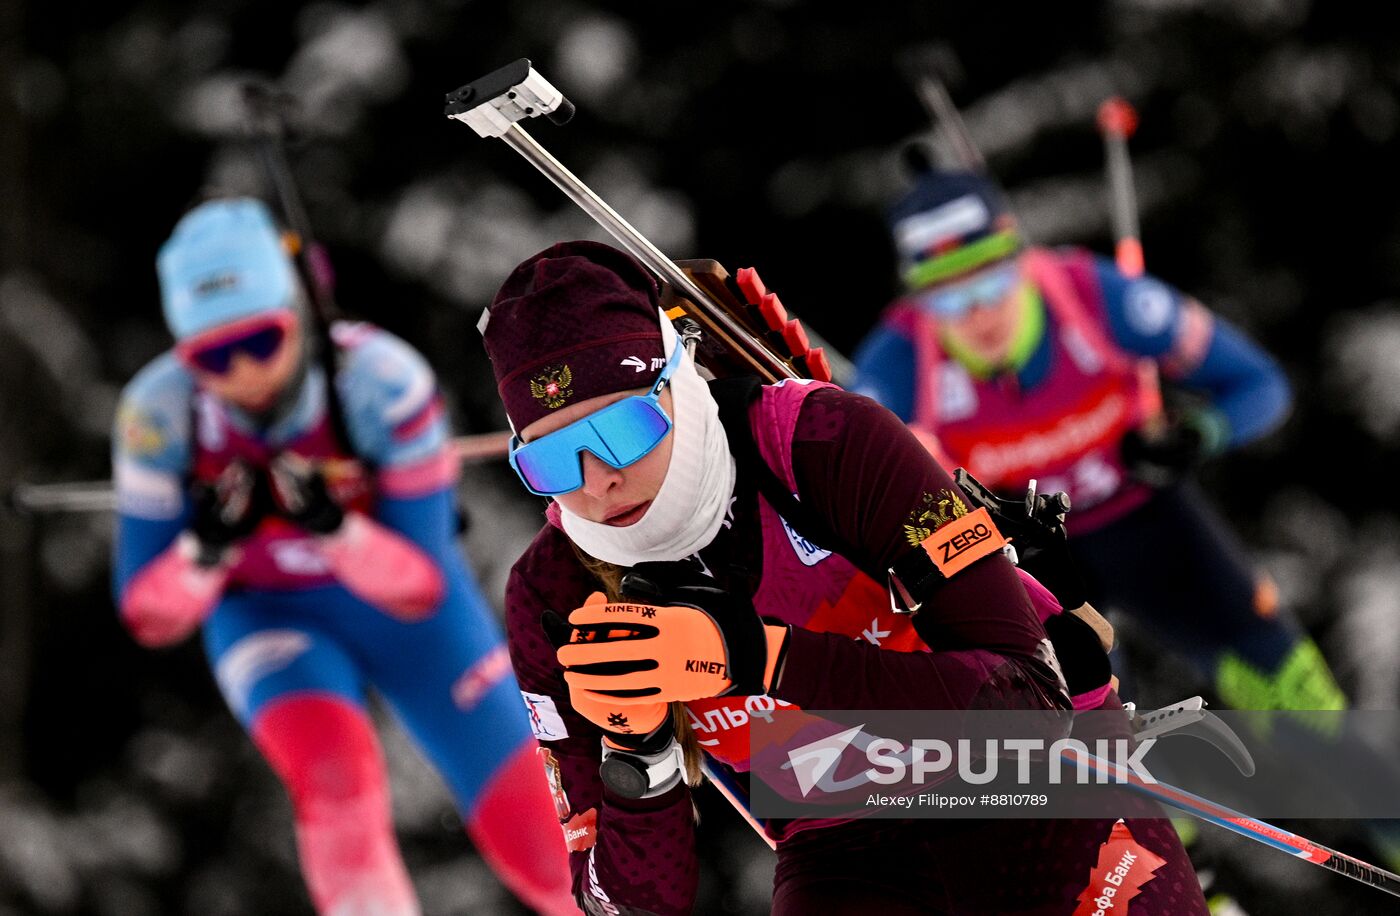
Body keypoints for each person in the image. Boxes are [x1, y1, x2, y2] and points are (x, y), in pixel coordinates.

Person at [481, 239, 1209, 914]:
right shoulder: (555, 591)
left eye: (623, 429)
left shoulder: (822, 442)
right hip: (842, 846)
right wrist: (634, 753)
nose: (597, 482)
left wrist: (755, 656)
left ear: (678, 381)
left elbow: (1024, 705)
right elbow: (629, 903)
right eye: (549, 458)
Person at [112, 197, 579, 915]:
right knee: (336, 784)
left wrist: (334, 528)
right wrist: (203, 551)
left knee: (544, 841)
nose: (240, 373)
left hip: (418, 625)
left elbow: (420, 584)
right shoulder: (159, 415)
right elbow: (149, 615)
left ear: (297, 315)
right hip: (267, 619)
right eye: (210, 355)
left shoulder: (381, 383)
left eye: (260, 341)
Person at [851, 168, 1346, 718]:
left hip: (1143, 515)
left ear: (1020, 259)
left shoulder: (1092, 296)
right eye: (947, 297)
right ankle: (1141, 799)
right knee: (1085, 718)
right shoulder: (893, 367)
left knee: (1286, 681)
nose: (977, 314)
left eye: (990, 280)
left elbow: (1261, 386)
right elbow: (856, 506)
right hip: (1026, 557)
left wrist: (1196, 434)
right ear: (916, 299)